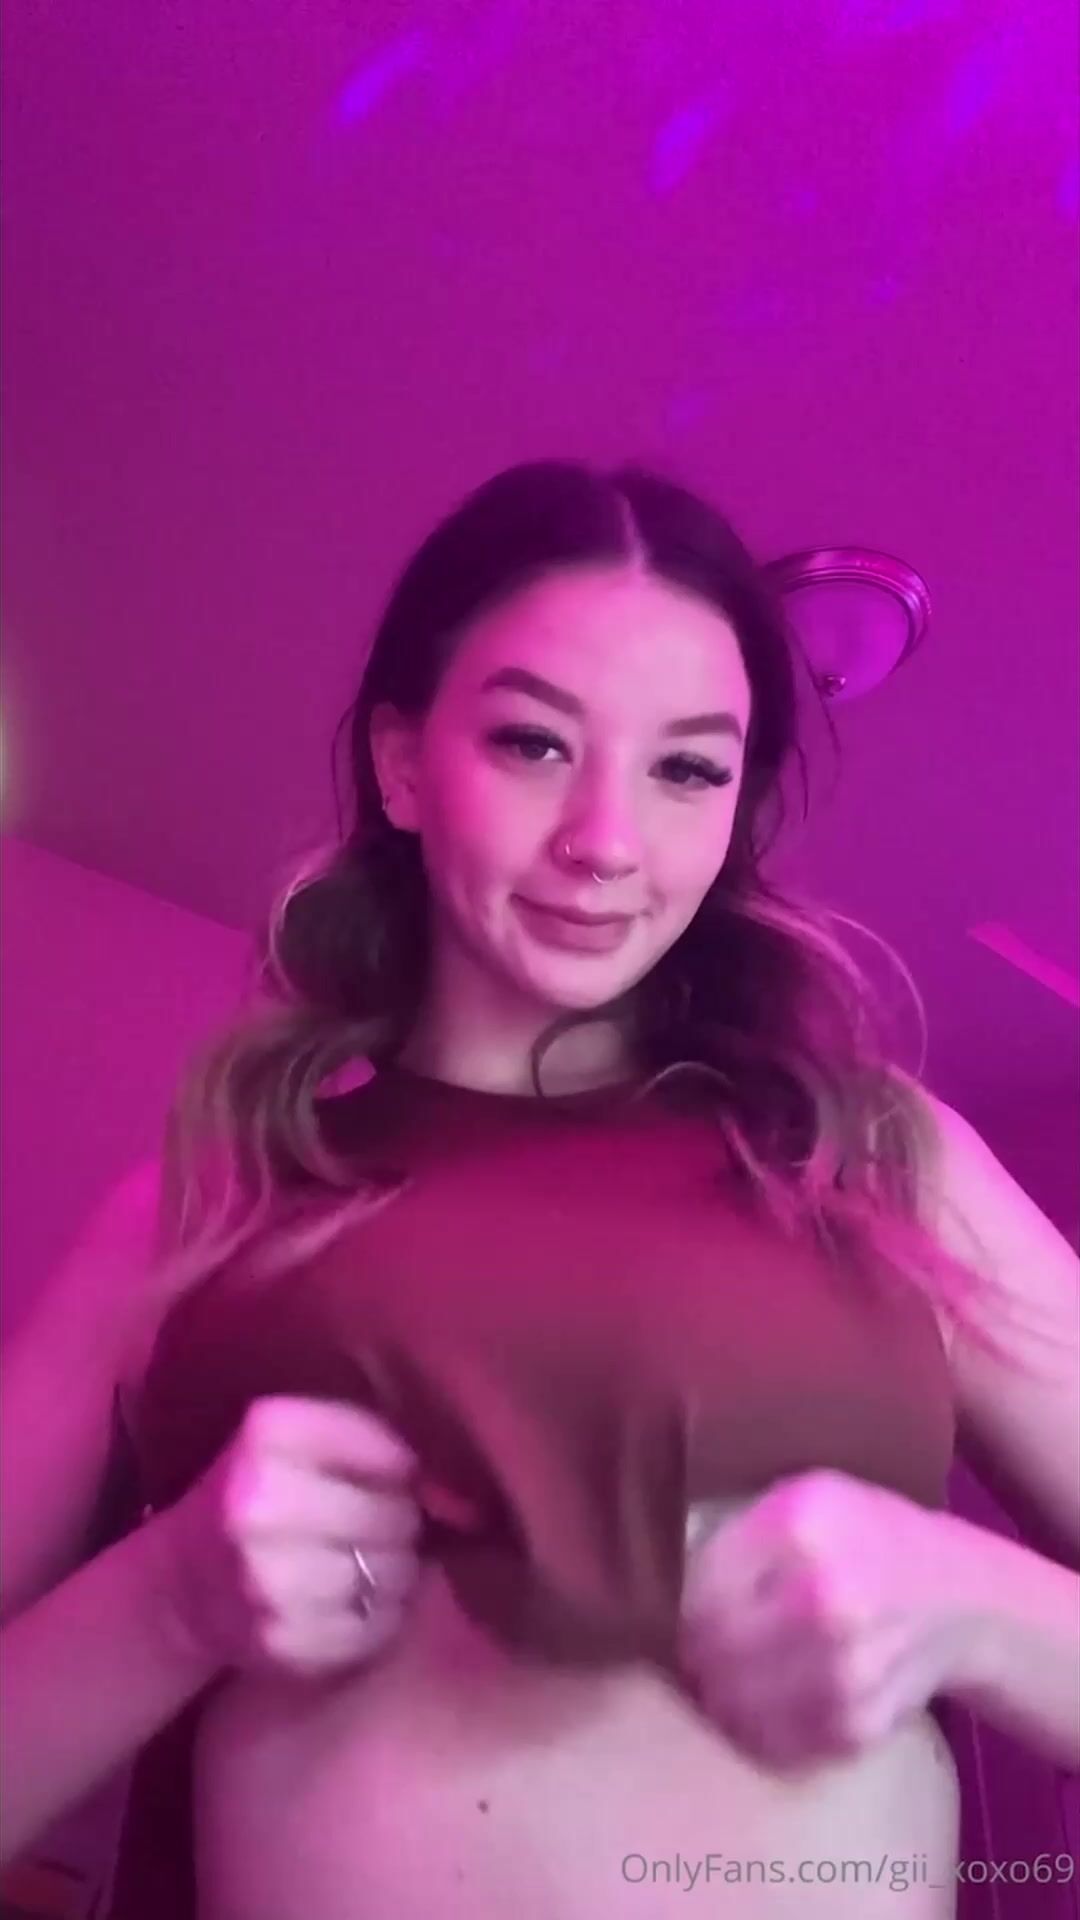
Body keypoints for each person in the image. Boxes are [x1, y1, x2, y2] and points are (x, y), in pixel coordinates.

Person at [1, 460, 1077, 1920]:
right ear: (401, 765)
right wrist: (167, 1605)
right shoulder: (200, 1207)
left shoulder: (883, 1159)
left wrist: (976, 1607)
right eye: (533, 742)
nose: (606, 842)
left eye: (687, 769)